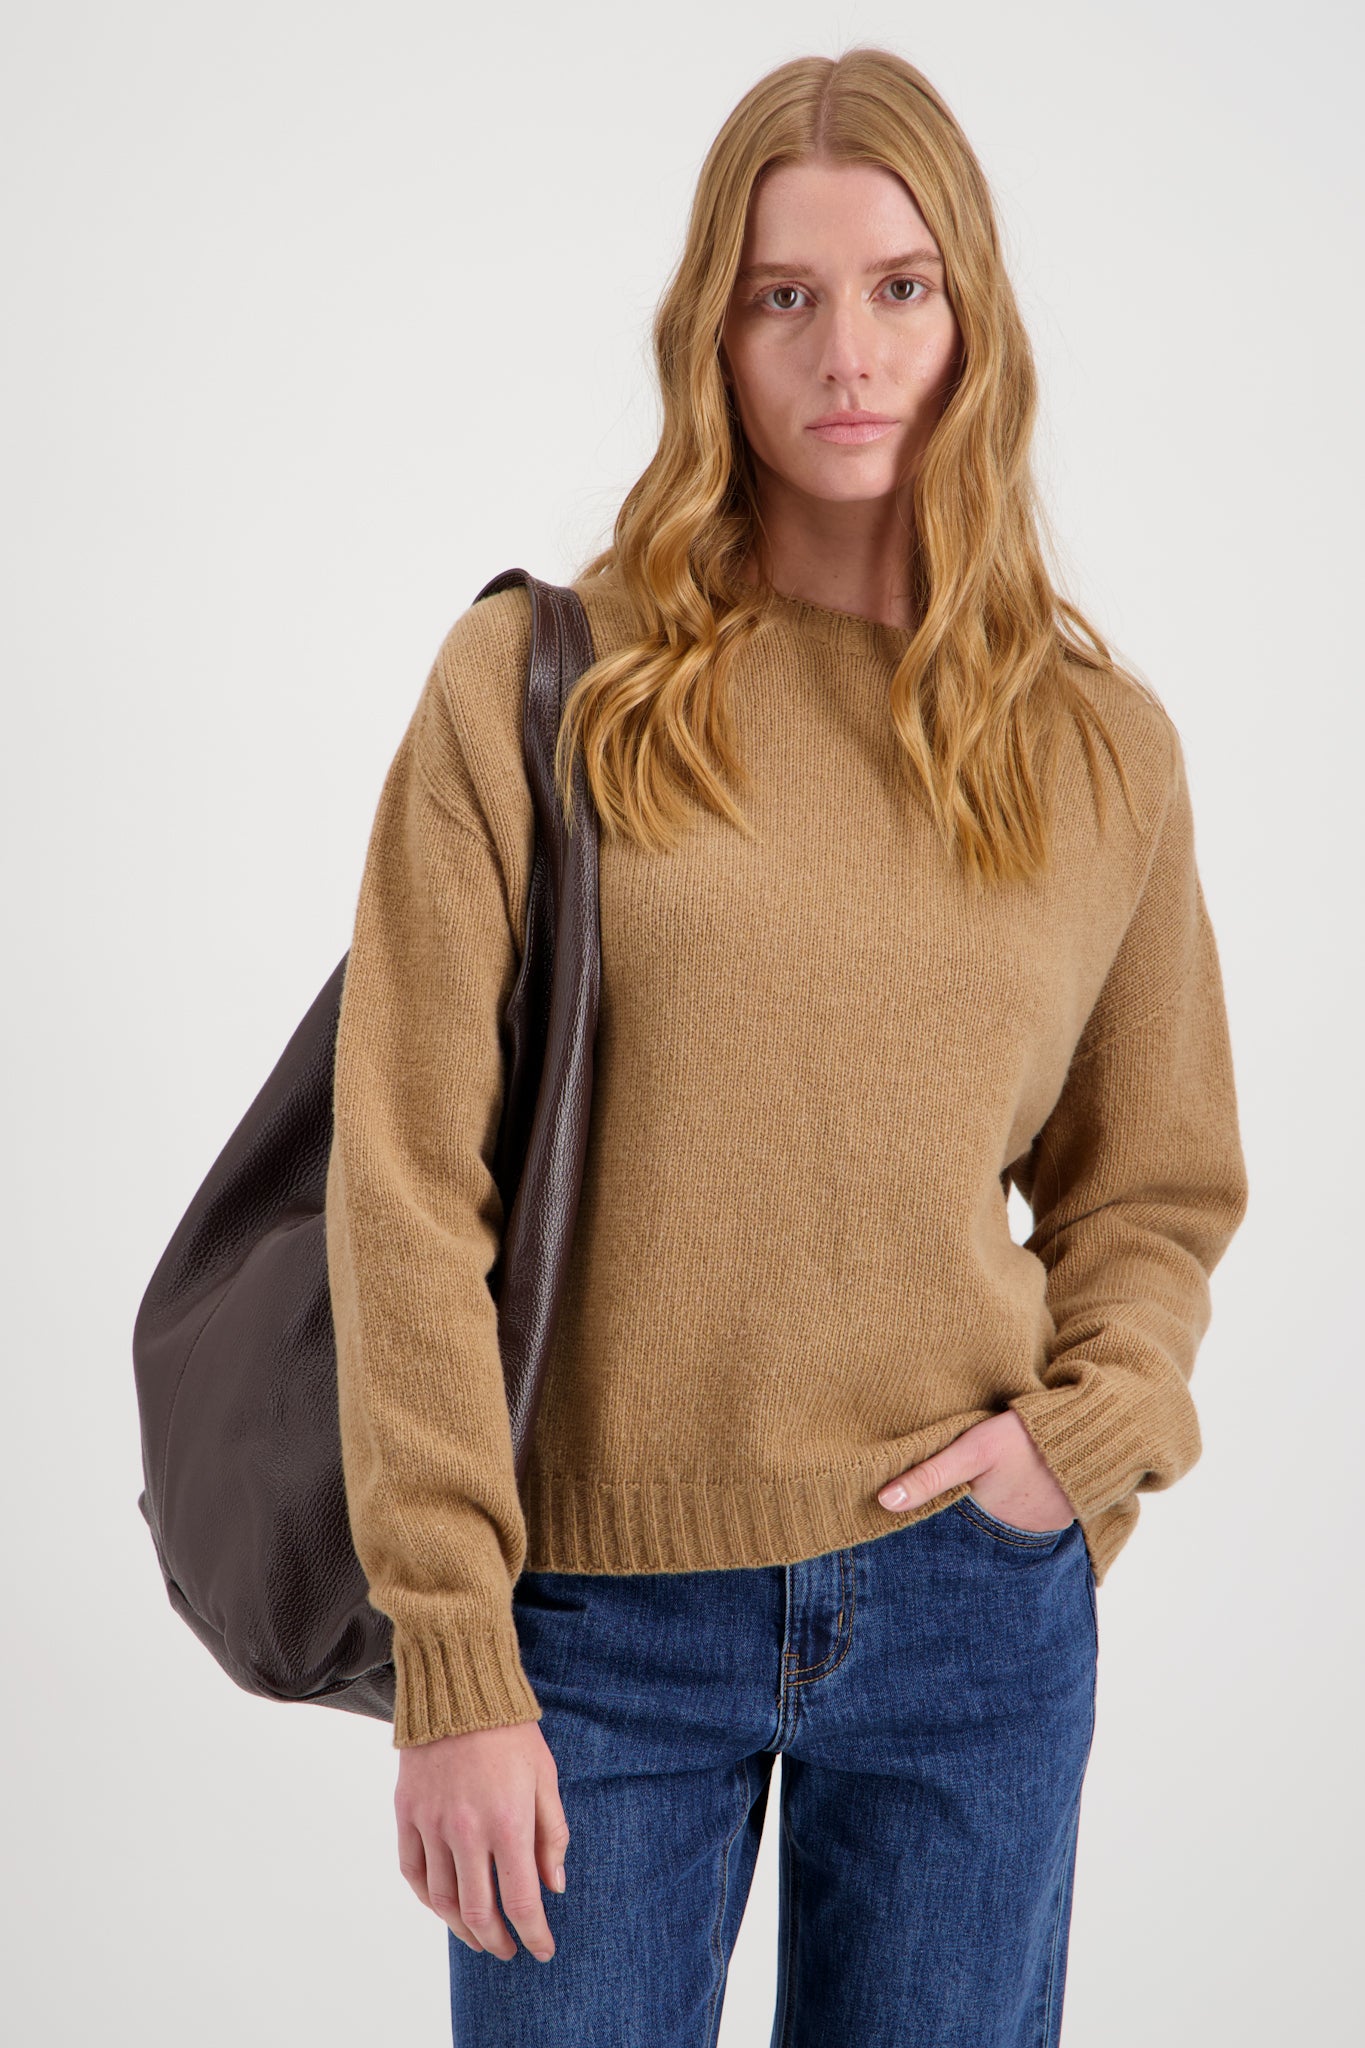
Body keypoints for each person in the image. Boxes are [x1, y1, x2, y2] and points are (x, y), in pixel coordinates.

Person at [323, 44, 1249, 2048]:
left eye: (899, 287)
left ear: (971, 318)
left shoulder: (1100, 752)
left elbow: (1152, 1188)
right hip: (591, 1630)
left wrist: (1082, 1444)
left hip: (966, 1617)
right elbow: (402, 1184)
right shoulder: (538, 689)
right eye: (784, 295)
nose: (846, 352)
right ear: (711, 333)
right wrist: (452, 1657)